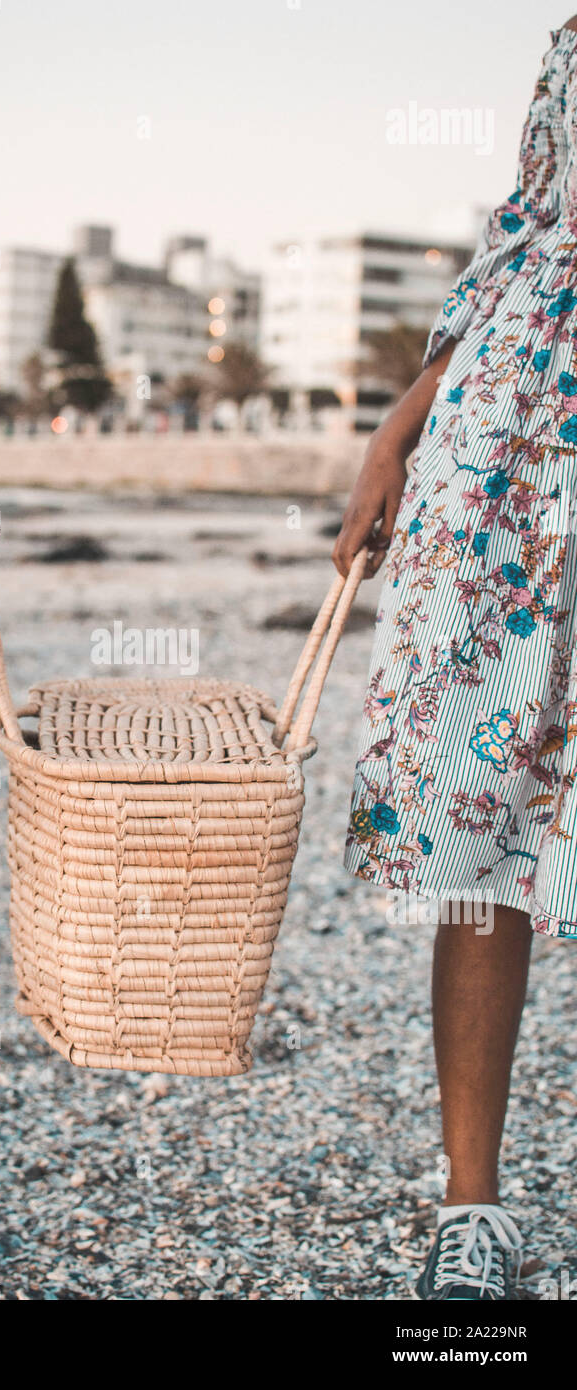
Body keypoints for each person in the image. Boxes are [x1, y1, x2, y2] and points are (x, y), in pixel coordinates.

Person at [334, 19, 577, 1301]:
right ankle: (471, 1209)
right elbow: (521, 229)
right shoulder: (572, 38)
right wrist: (394, 435)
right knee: (483, 825)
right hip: (514, 434)